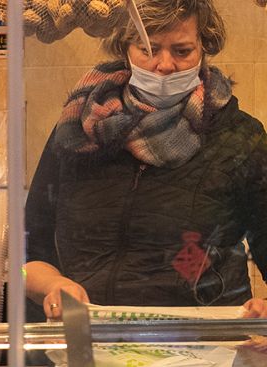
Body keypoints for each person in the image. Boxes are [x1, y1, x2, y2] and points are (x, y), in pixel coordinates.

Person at [25, 0, 267, 320]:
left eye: (182, 51)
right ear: (125, 48)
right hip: (84, 348)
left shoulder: (238, 137)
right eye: (148, 49)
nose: (164, 65)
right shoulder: (78, 130)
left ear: (203, 49)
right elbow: (25, 257)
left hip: (203, 352)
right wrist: (52, 285)